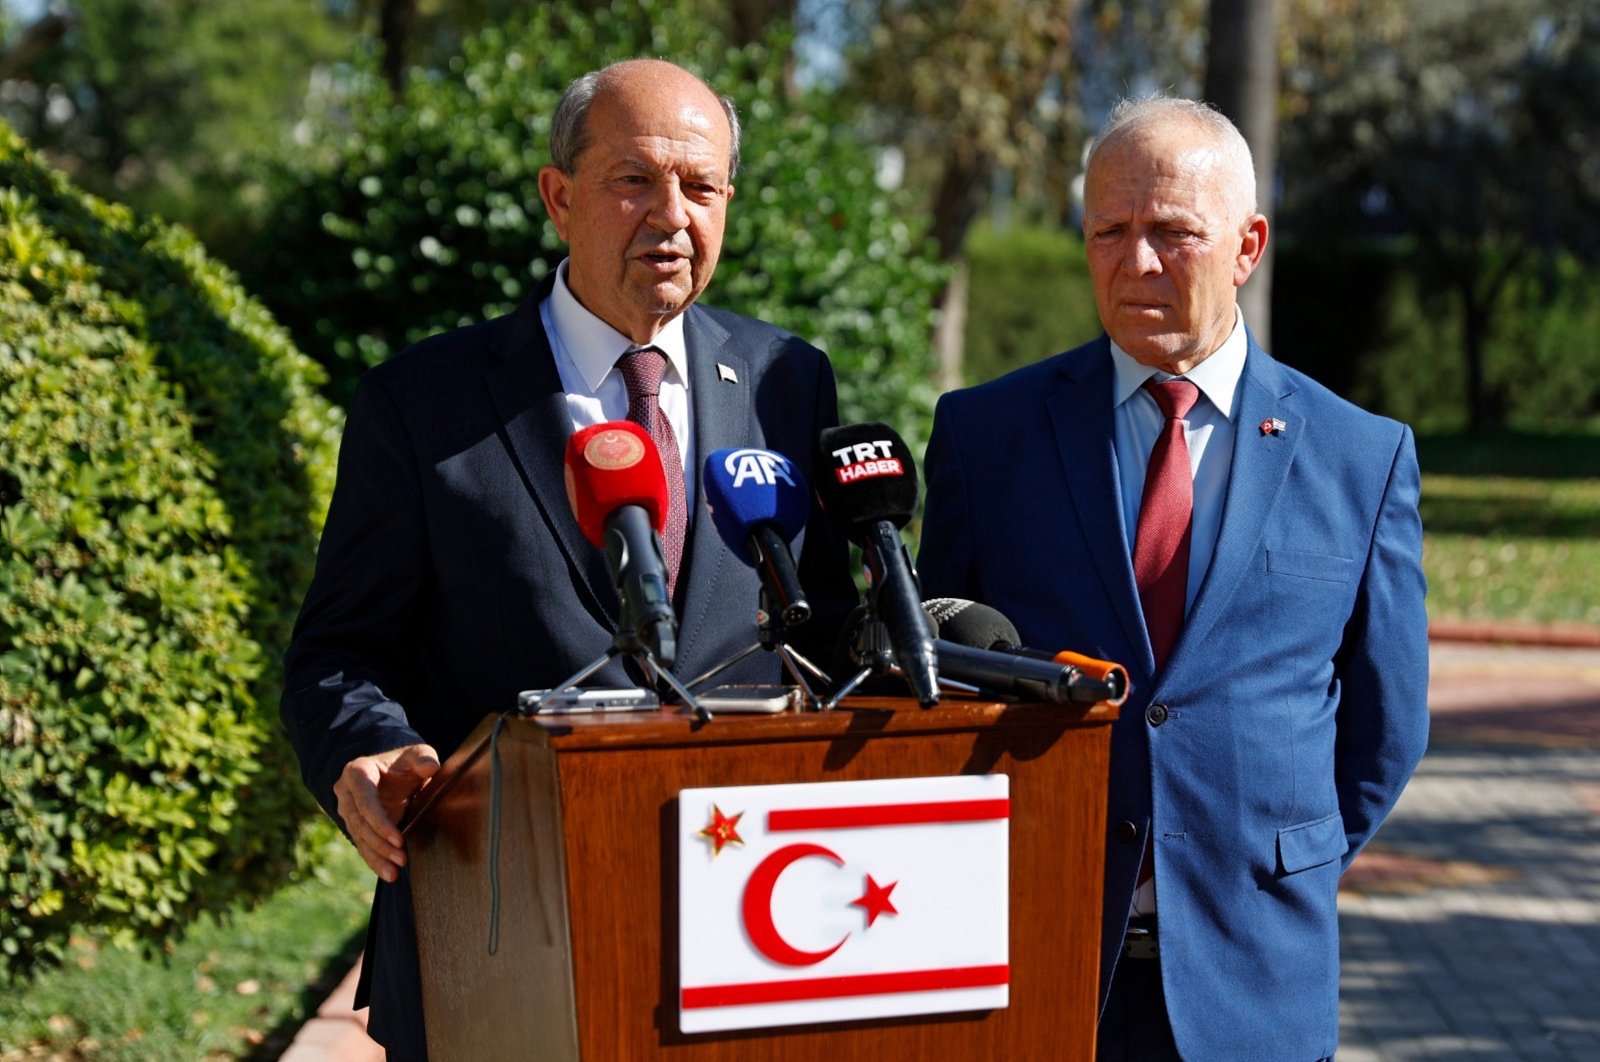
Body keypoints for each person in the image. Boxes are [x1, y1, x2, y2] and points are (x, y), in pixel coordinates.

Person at [280, 58, 856, 1058]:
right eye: (634, 180)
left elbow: (836, 635)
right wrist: (364, 751)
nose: (672, 215)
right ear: (558, 197)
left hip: (749, 933)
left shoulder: (786, 384)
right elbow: (336, 653)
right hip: (494, 936)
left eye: (701, 185)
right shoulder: (423, 404)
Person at [917, 96, 1429, 1061]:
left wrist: (1271, 860)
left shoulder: (1361, 457)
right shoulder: (989, 437)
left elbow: (1385, 730)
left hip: (1257, 976)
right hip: (1035, 963)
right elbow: (940, 682)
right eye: (1109, 230)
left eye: (1173, 233)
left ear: (1248, 244)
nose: (1137, 262)